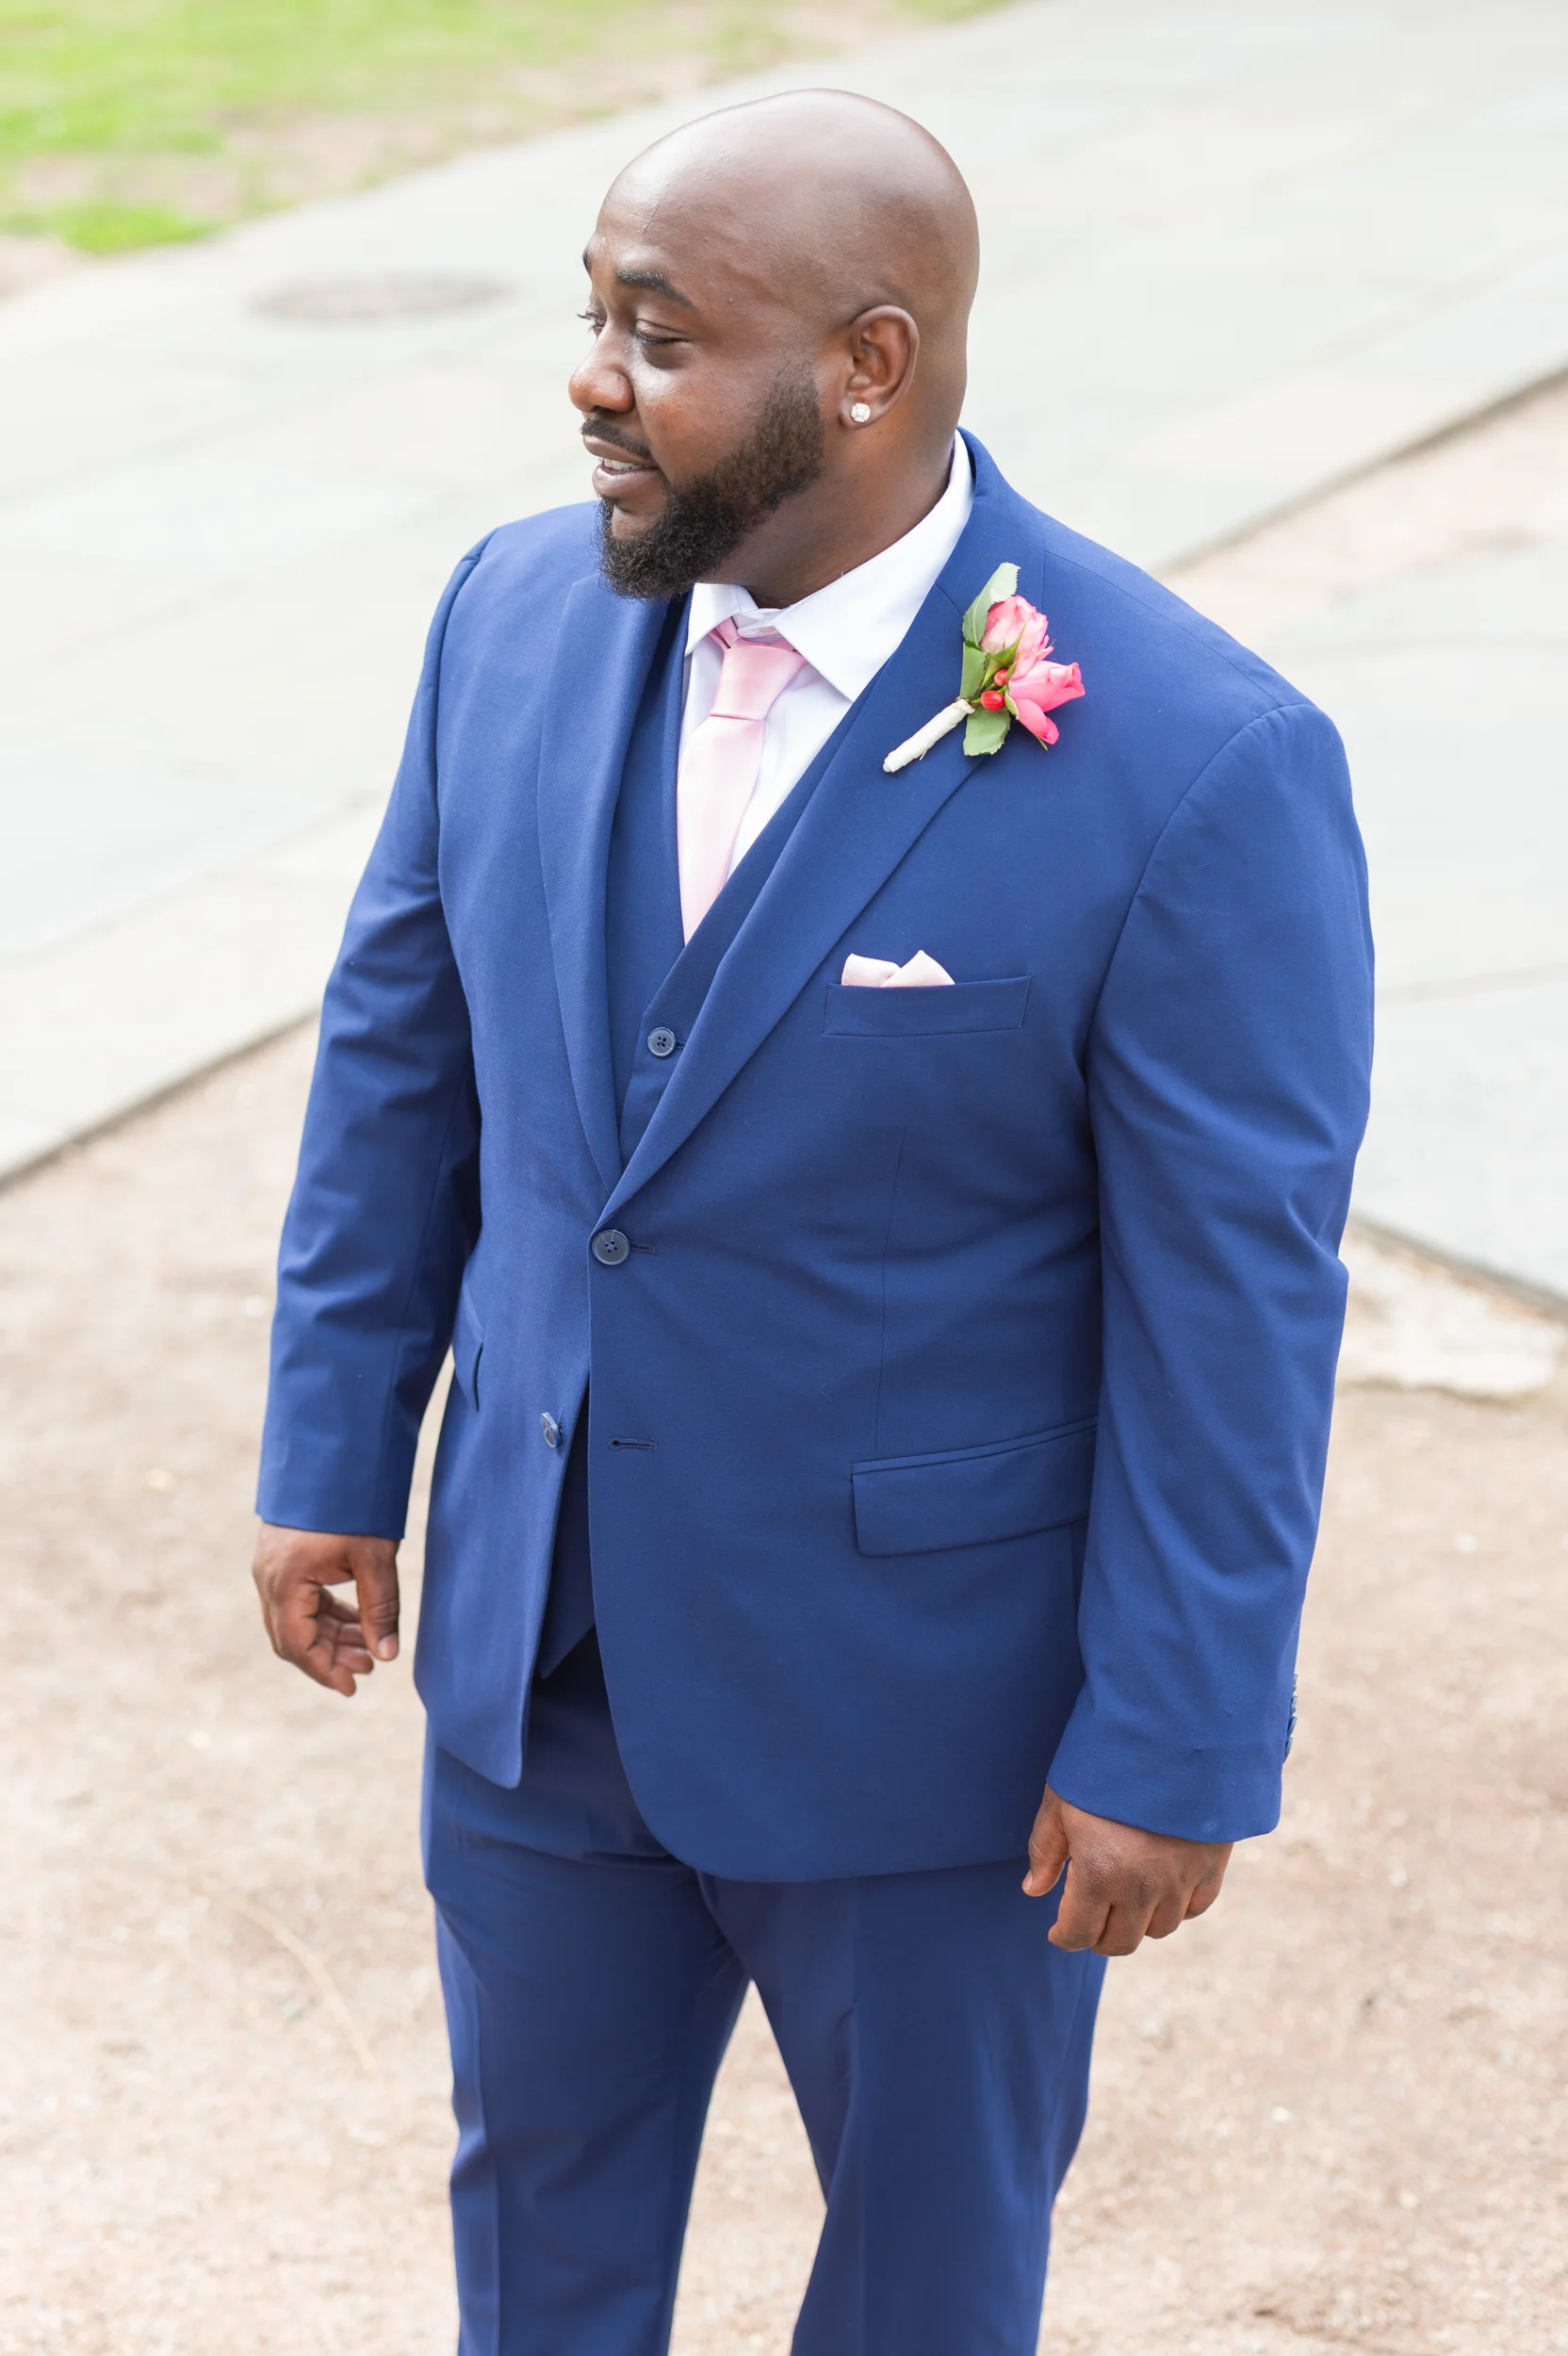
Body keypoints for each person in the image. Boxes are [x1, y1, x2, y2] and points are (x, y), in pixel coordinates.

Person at [252, 89, 1373, 2356]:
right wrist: (332, 1448)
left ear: (867, 366)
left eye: (659, 335)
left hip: (929, 1728)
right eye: (593, 313)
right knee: (534, 2248)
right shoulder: (507, 614)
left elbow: (1232, 1306)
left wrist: (1177, 1731)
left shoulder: (1195, 757)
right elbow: (403, 1054)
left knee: (925, 2286)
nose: (591, 378)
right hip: (541, 1653)